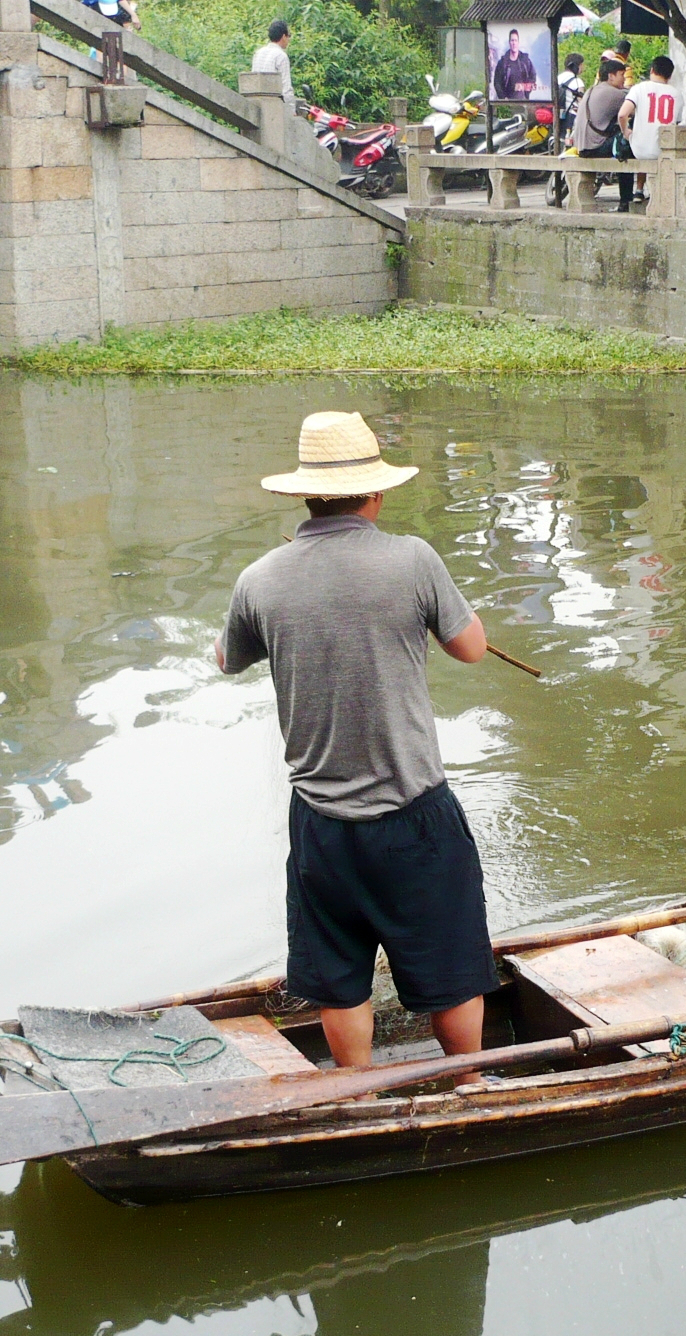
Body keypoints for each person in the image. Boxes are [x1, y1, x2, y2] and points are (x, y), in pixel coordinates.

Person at [217, 412, 497, 1072]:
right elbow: (474, 649)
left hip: (321, 822)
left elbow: (227, 658)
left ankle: (354, 1087)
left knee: (338, 969)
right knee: (453, 960)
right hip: (415, 815)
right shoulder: (413, 561)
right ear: (376, 493)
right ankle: (470, 1084)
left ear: (305, 496)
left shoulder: (260, 579)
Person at [618, 54, 681, 210]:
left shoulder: (639, 88)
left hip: (639, 149)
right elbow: (677, 123)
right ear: (670, 75)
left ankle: (638, 190)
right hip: (664, 150)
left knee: (634, 137)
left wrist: (626, 131)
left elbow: (622, 114)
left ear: (652, 70)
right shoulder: (677, 94)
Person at [571, 55, 633, 210]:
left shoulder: (593, 90)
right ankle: (626, 200)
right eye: (621, 75)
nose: (623, 80)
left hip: (582, 147)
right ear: (611, 76)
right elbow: (634, 103)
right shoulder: (614, 94)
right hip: (595, 147)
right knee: (628, 149)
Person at [251, 18, 295, 107]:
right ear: (283, 36)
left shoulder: (258, 53)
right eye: (288, 36)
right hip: (274, 106)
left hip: (257, 104)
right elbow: (286, 89)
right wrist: (291, 109)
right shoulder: (281, 56)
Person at [493, 28, 538, 101]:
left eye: (515, 40)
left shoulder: (525, 61)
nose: (514, 43)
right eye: (512, 40)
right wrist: (503, 98)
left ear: (518, 42)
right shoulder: (502, 62)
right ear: (509, 42)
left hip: (523, 102)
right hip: (507, 102)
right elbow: (497, 82)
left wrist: (527, 91)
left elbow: (533, 76)